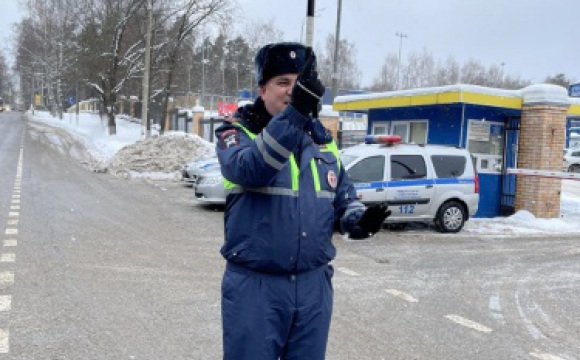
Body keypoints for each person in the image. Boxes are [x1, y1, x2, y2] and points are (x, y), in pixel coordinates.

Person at [215, 42, 391, 360]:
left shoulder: (324, 144)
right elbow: (251, 170)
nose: (292, 92)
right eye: (283, 82)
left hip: (313, 288)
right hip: (256, 289)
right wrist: (297, 113)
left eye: (299, 84)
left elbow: (343, 200)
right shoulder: (237, 134)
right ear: (262, 88)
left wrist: (357, 222)